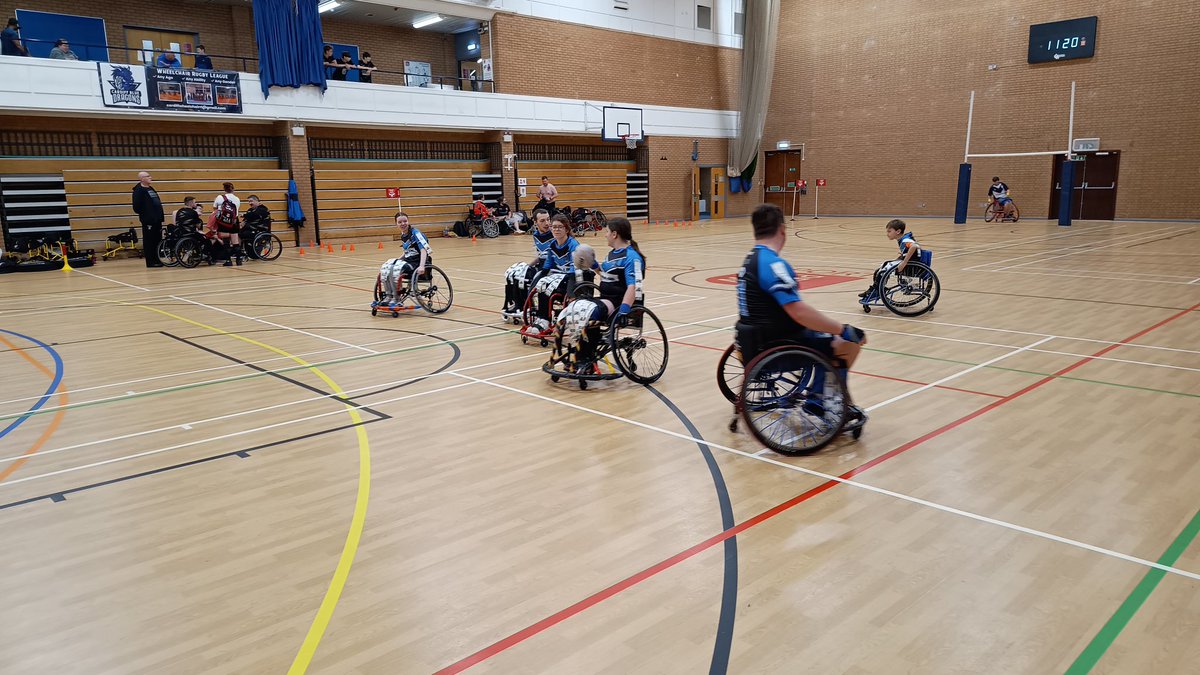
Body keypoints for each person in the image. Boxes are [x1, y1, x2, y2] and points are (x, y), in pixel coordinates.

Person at [736, 204, 866, 422]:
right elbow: (799, 313)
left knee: (825, 333)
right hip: (778, 346)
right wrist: (843, 329)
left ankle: (829, 397)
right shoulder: (773, 265)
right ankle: (822, 400)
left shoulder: (749, 261)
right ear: (782, 230)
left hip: (752, 342)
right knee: (848, 343)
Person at [501, 208, 553, 320]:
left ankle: (526, 305)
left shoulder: (555, 234)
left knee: (527, 278)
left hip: (552, 269)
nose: (547, 223)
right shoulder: (535, 235)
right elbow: (541, 256)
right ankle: (518, 305)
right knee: (517, 273)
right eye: (542, 221)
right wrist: (528, 266)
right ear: (535, 222)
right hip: (541, 265)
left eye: (548, 219)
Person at [528, 214, 578, 328]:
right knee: (541, 284)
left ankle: (544, 320)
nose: (556, 229)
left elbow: (574, 270)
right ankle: (541, 318)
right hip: (558, 277)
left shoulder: (573, 245)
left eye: (560, 227)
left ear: (566, 229)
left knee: (546, 287)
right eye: (554, 227)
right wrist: (535, 283)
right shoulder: (552, 244)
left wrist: (571, 293)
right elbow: (547, 266)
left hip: (571, 279)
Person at [377, 212, 431, 307]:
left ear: (408, 221)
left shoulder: (416, 233)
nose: (403, 224)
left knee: (395, 269)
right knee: (387, 266)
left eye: (405, 221)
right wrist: (395, 261)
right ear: (396, 224)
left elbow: (424, 250)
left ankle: (396, 298)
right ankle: (389, 296)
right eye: (400, 222)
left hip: (417, 263)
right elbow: (407, 252)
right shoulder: (403, 235)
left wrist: (422, 265)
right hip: (408, 261)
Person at [860, 219, 923, 298]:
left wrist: (904, 262)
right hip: (908, 260)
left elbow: (914, 246)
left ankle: (877, 291)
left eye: (889, 231)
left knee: (883, 270)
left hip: (910, 264)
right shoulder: (903, 239)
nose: (887, 234)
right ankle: (877, 289)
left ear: (898, 231)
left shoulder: (905, 240)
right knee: (880, 269)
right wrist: (904, 253)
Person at [131, 171, 164, 268]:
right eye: (148, 176)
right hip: (148, 220)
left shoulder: (150, 188)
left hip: (157, 219)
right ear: (142, 179)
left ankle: (157, 259)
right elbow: (136, 207)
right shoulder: (139, 190)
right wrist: (147, 215)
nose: (150, 177)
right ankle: (151, 261)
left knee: (157, 240)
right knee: (149, 241)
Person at [212, 182, 243, 266]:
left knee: (226, 242)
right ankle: (238, 260)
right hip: (234, 221)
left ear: (224, 189)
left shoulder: (220, 197)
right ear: (233, 189)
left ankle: (228, 261)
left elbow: (215, 209)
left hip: (223, 221)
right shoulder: (237, 199)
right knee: (235, 241)